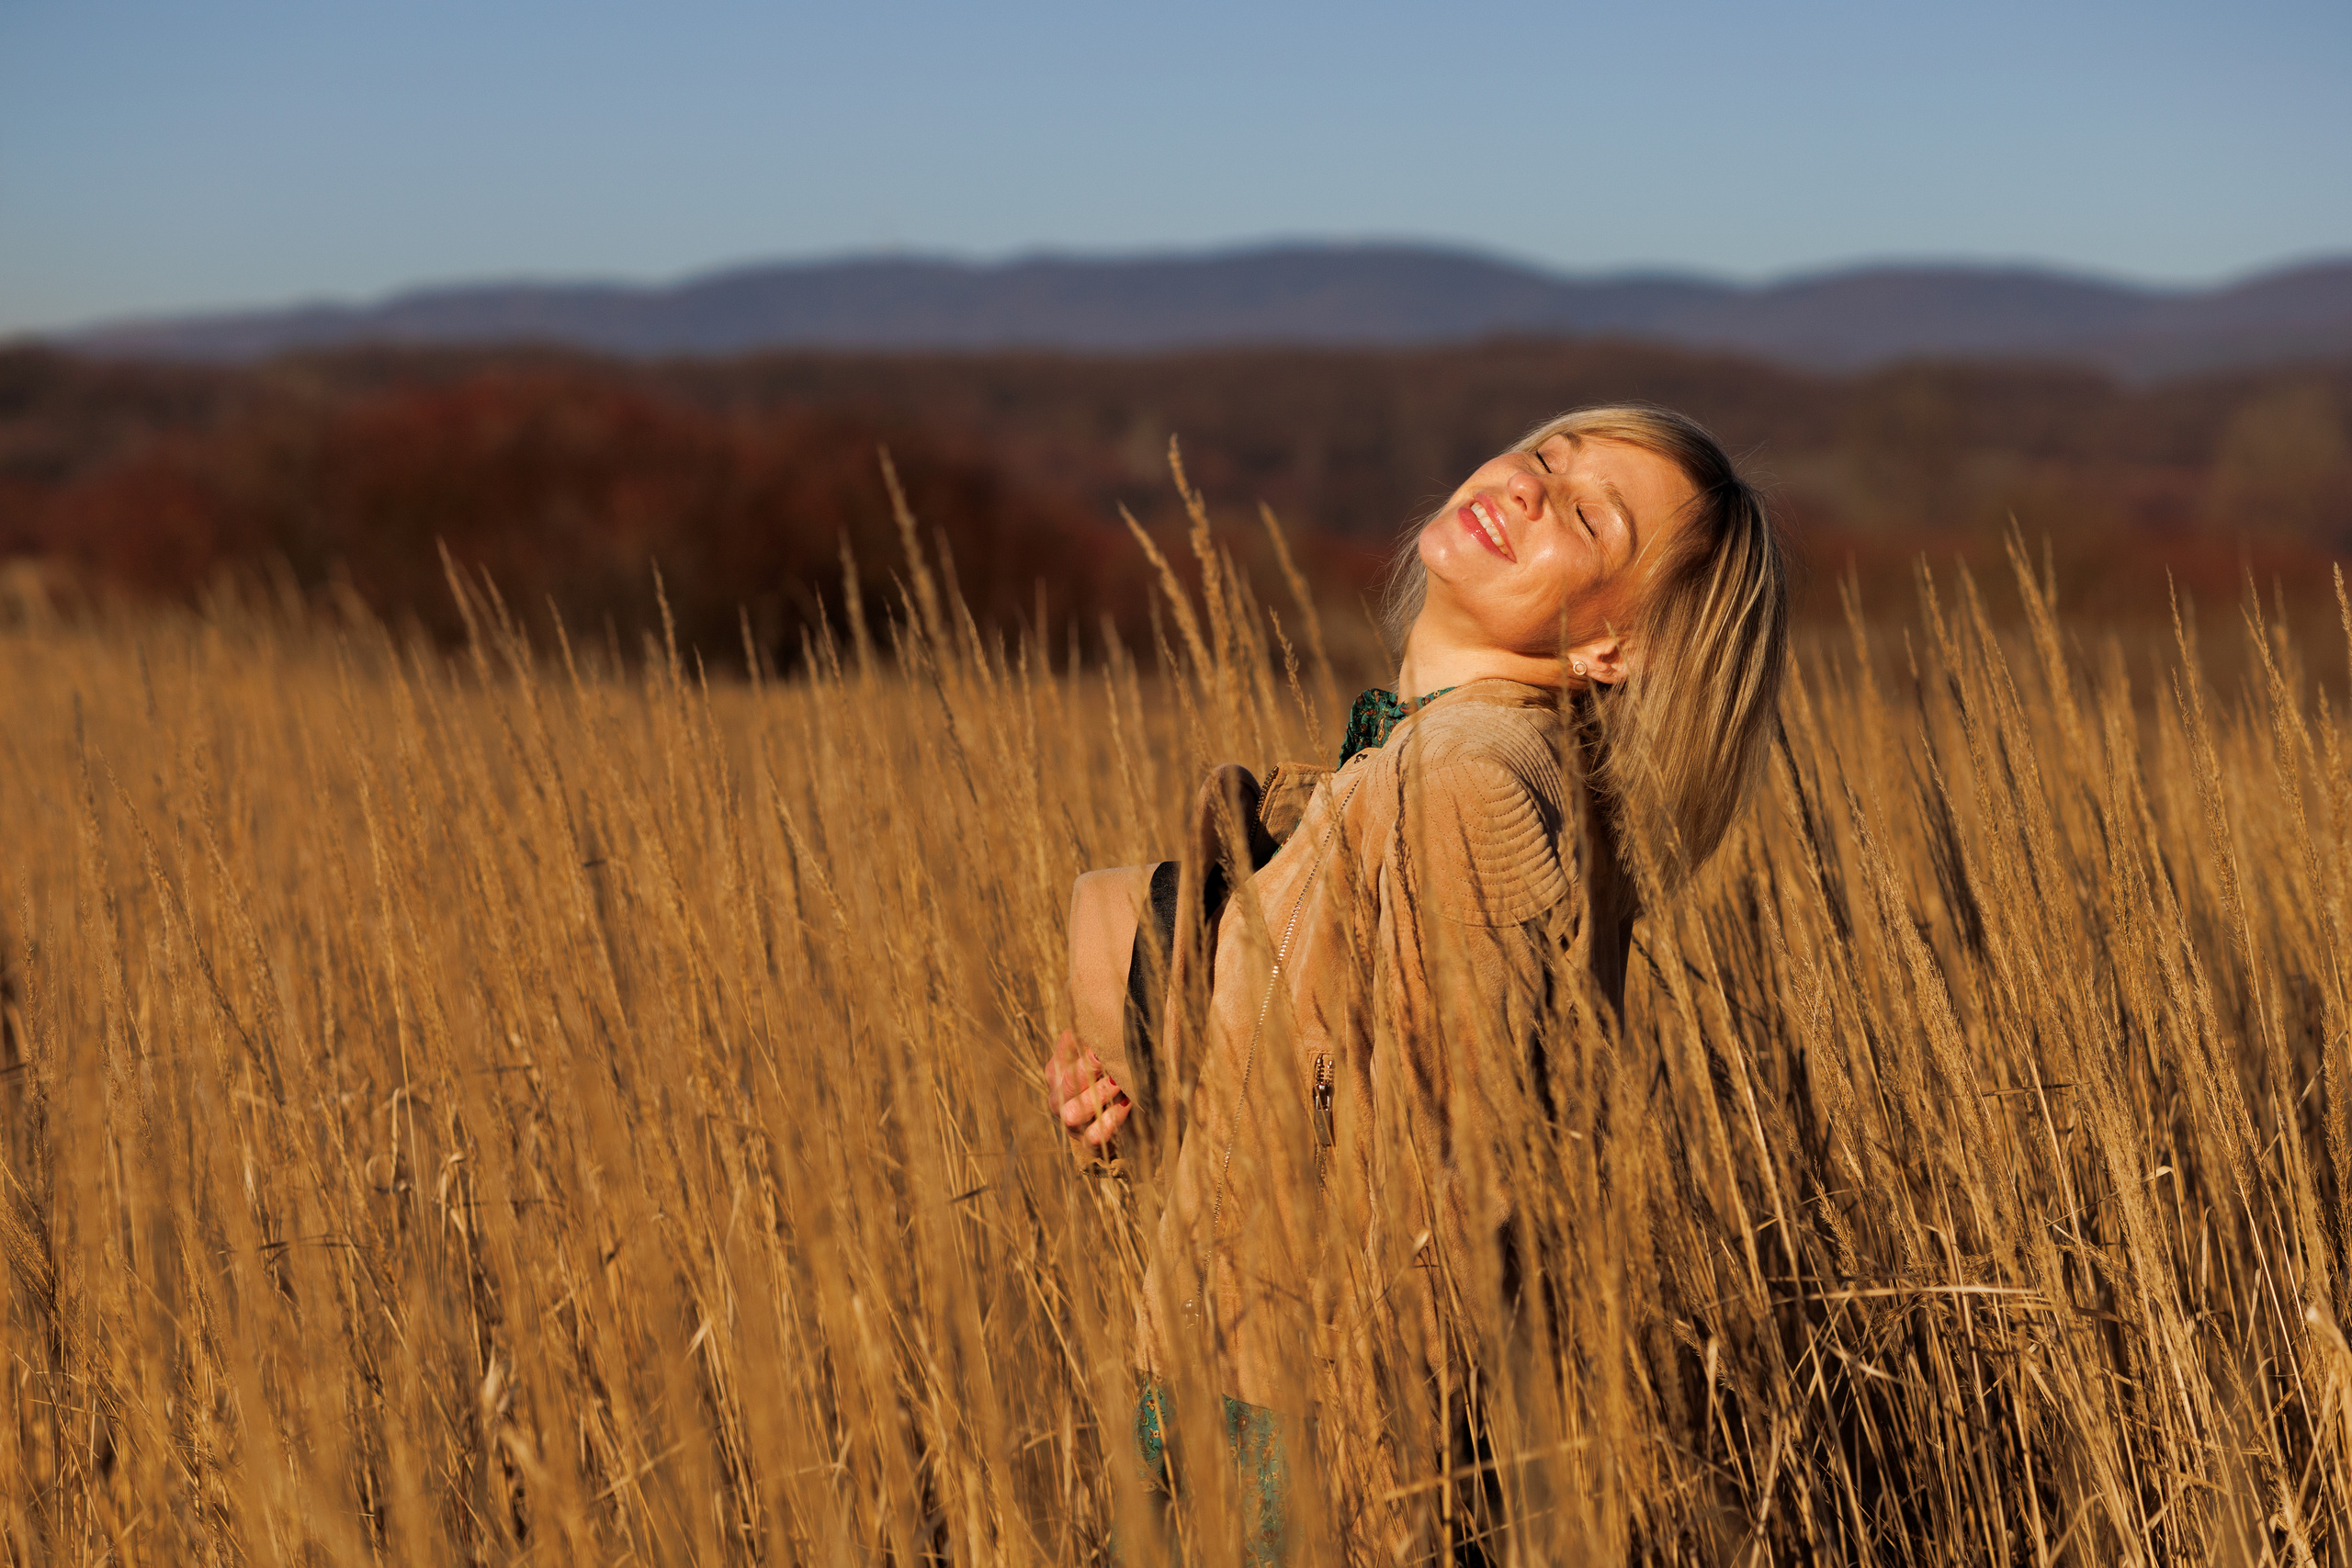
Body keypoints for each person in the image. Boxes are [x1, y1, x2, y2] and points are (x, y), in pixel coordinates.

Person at [1050, 405, 1789, 1562]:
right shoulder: (1447, 758)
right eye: (1549, 456)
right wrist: (1155, 1111)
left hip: (1291, 1471)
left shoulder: (1465, 784)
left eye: (1590, 519)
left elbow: (1452, 1213)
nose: (1535, 487)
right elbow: (1347, 1125)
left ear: (1616, 648)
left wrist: (1369, 1519)